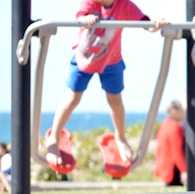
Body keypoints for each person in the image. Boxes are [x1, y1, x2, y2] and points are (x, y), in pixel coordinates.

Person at [45, 0, 167, 169]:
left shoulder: (124, 6)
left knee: (115, 101)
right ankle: (54, 137)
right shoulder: (90, 3)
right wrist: (85, 19)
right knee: (72, 98)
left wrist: (156, 24)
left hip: (111, 60)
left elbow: (146, 24)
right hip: (84, 59)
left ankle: (120, 137)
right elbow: (80, 16)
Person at [154, 100, 187, 186]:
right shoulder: (174, 126)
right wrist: (184, 171)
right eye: (182, 111)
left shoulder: (165, 124)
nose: (184, 113)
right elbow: (177, 151)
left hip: (165, 169)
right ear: (174, 112)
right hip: (173, 171)